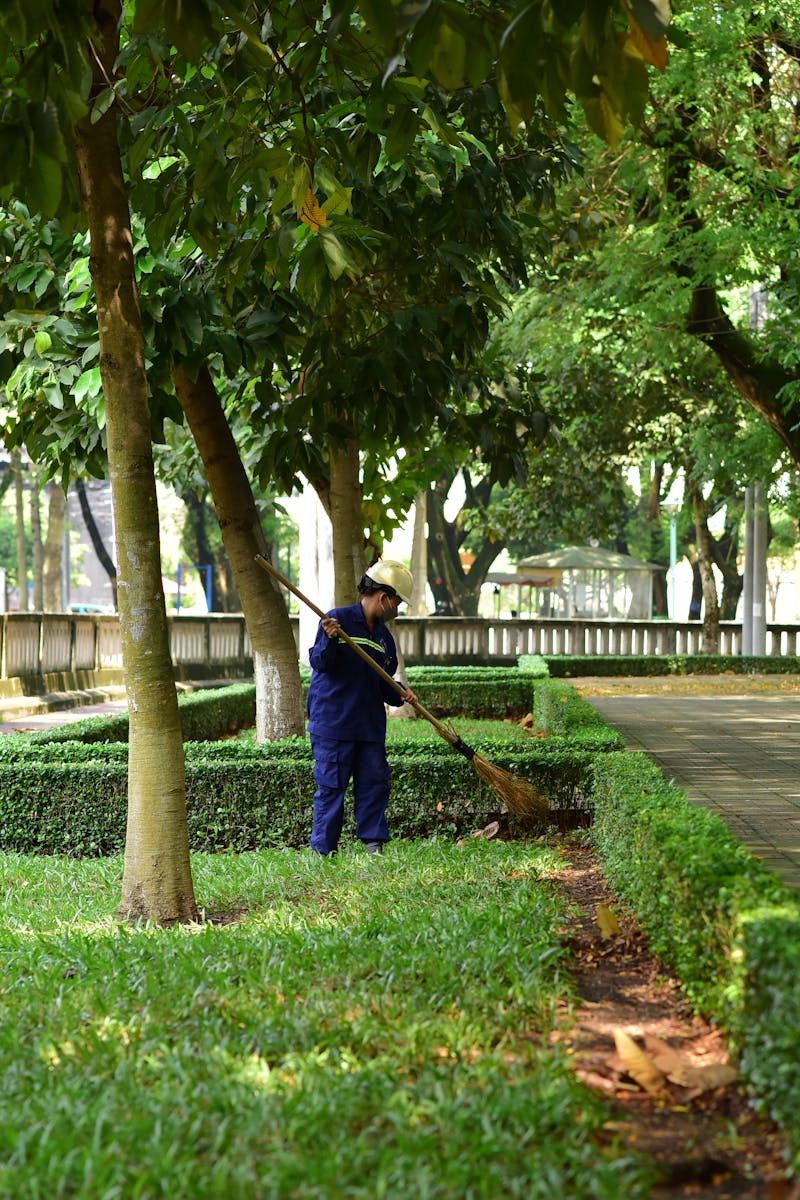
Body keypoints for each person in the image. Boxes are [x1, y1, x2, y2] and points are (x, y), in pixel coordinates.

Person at [306, 560, 417, 856]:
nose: (396, 608)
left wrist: (401, 694)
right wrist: (329, 639)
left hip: (369, 726)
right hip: (334, 723)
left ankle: (373, 845)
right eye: (396, 602)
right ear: (383, 597)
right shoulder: (336, 621)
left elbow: (383, 682)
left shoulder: (383, 638)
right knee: (331, 788)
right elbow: (319, 663)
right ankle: (323, 851)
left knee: (373, 785)